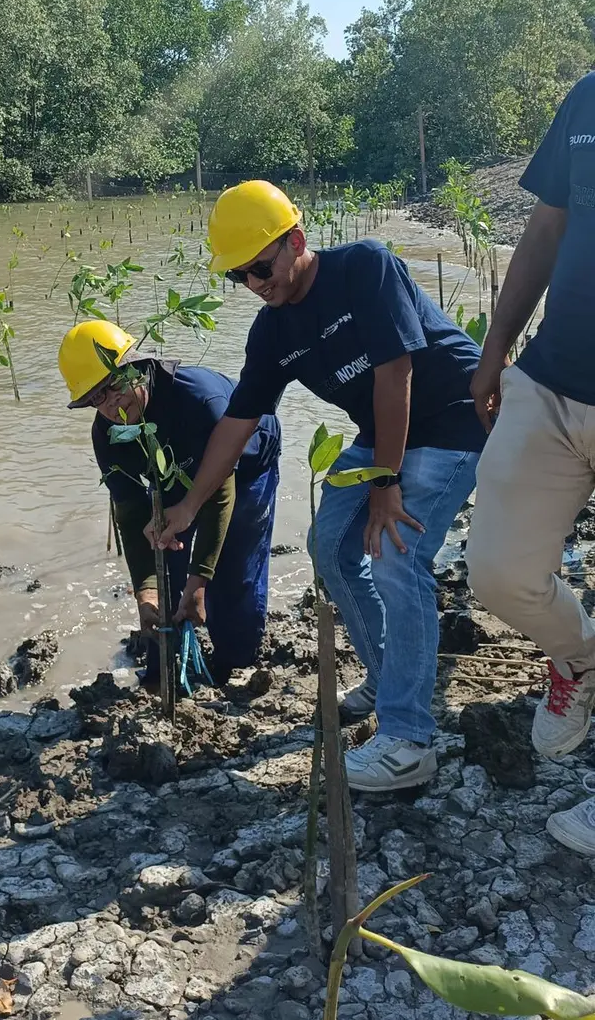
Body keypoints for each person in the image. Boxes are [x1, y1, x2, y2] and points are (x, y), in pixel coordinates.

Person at [149, 180, 487, 791]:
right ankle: (390, 677)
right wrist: (187, 505)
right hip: (385, 433)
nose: (256, 285)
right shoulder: (273, 331)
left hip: (455, 418)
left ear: (296, 242)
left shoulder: (366, 267)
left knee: (394, 551)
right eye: (239, 278)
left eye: (261, 267)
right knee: (330, 545)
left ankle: (409, 739)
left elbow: (396, 373)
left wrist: (386, 481)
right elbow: (236, 424)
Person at [466, 72, 595, 854]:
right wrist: (495, 348)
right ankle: (579, 660)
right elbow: (547, 229)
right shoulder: (585, 100)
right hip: (551, 382)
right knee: (498, 573)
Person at [58, 319, 281, 686]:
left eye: (115, 384)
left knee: (233, 567)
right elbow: (130, 512)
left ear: (139, 368)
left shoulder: (199, 401)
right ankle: (166, 669)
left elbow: (220, 493)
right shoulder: (108, 433)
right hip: (176, 471)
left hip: (244, 464)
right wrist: (145, 591)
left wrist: (198, 583)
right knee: (165, 565)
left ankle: (235, 663)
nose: (112, 403)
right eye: (96, 397)